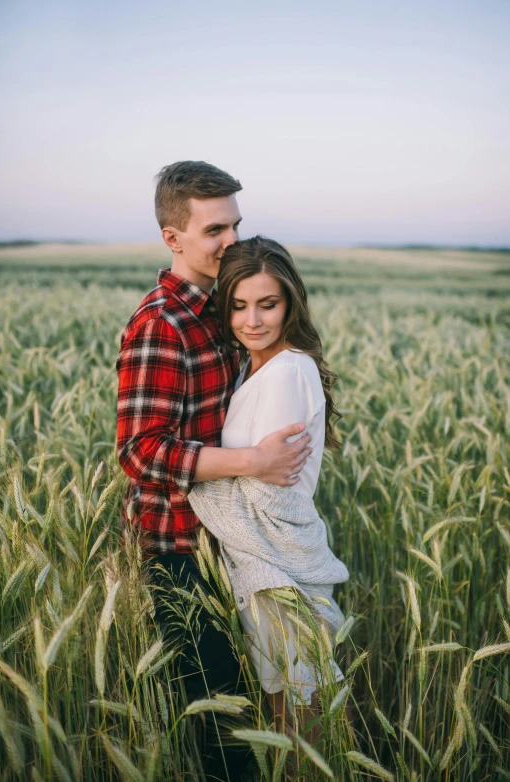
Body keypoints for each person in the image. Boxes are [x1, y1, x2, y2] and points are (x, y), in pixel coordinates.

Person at [115, 161, 312, 780]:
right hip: (178, 551)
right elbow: (140, 450)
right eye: (214, 231)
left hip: (229, 543)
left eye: (236, 225)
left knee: (250, 709)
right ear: (173, 239)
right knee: (221, 730)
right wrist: (255, 461)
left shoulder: (223, 311)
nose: (231, 241)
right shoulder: (161, 324)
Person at [188, 235, 349, 744]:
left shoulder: (284, 372)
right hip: (265, 568)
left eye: (267, 304)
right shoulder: (255, 366)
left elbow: (268, 497)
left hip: (277, 569)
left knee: (300, 726)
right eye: (237, 305)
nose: (252, 320)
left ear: (290, 304)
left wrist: (193, 478)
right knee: (293, 717)